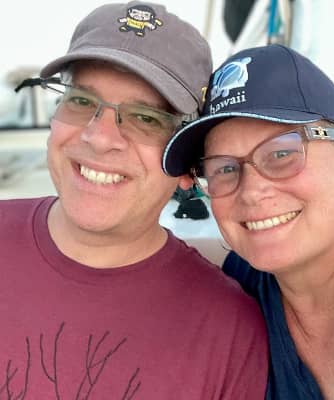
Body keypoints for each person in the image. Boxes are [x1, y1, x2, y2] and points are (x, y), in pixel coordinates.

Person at [3, 2, 269, 398]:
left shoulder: (229, 334)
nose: (99, 137)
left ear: (187, 166)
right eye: (81, 100)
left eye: (146, 118)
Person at [162, 44, 334, 399]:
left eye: (282, 153)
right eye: (224, 168)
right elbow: (143, 249)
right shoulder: (245, 282)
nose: (251, 192)